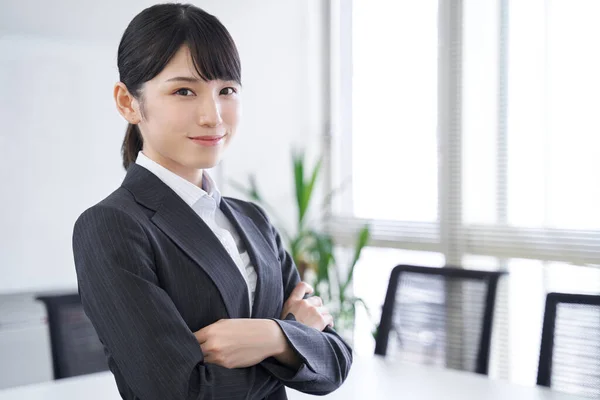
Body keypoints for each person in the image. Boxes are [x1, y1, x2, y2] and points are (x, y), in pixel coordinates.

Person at [71, 3, 352, 400]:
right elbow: (181, 392)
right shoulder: (110, 226)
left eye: (227, 91)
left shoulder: (252, 220)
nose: (213, 116)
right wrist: (295, 338)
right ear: (128, 103)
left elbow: (336, 361)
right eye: (184, 91)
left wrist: (271, 335)